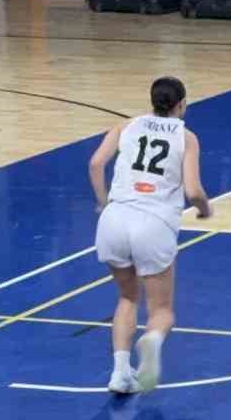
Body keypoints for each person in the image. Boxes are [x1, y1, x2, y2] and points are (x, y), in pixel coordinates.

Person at [89, 75, 211, 394]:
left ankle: (119, 372)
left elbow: (96, 163)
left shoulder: (125, 126)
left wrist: (103, 203)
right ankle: (153, 340)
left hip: (115, 218)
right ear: (182, 104)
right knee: (162, 312)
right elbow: (194, 190)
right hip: (153, 222)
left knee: (127, 297)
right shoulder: (187, 137)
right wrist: (204, 209)